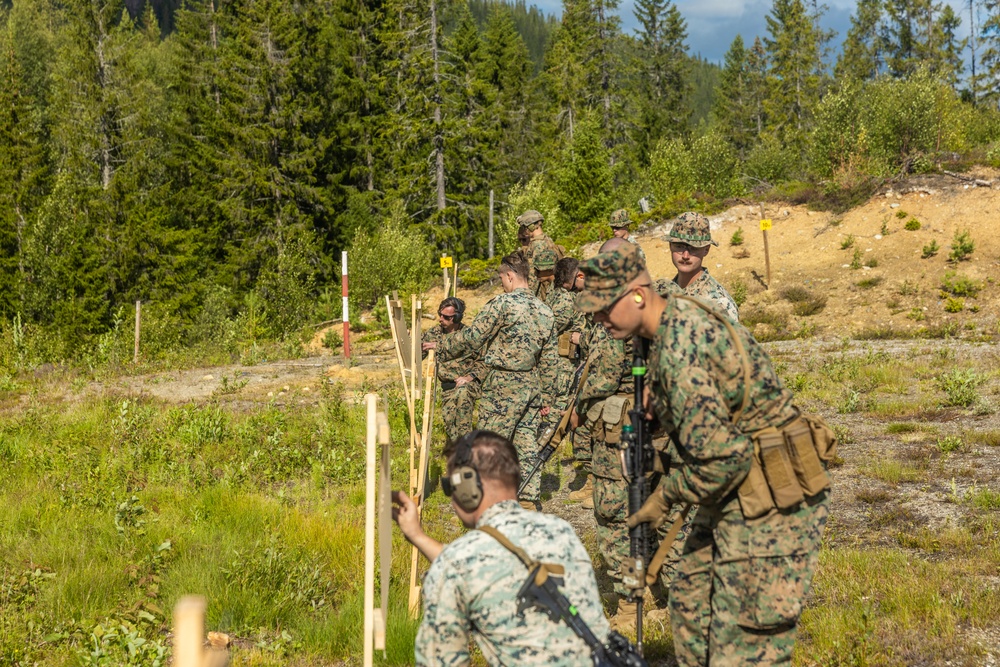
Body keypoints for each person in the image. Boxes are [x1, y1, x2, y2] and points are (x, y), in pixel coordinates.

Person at [576, 243, 833, 666]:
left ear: (638, 296)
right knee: (692, 603)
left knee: (745, 641)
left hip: (771, 493)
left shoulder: (679, 347)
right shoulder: (667, 322)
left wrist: (662, 497)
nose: (599, 320)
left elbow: (723, 459)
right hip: (735, 483)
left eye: (604, 308)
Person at [392, 430, 612, 666]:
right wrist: (417, 535)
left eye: (449, 486)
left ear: (466, 487)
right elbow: (487, 565)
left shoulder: (457, 563)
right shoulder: (562, 532)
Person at [431, 252, 558, 509]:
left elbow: (472, 338)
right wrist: (547, 397)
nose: (502, 283)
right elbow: (550, 361)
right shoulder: (546, 311)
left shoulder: (502, 304)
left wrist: (441, 347)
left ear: (510, 275)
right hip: (531, 385)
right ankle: (528, 500)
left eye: (502, 278)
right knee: (526, 444)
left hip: (502, 384)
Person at [652, 212, 739, 322]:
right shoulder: (664, 291)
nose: (685, 256)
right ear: (670, 246)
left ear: (706, 250)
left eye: (693, 248)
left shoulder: (717, 303)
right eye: (679, 247)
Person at [421, 297, 484, 445]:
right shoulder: (434, 333)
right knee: (450, 426)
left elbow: (484, 361)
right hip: (448, 387)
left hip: (468, 384)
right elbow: (418, 355)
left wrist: (470, 377)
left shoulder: (468, 335)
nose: (441, 319)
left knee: (462, 419)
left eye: (446, 317)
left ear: (456, 318)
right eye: (440, 314)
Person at [517, 209, 560, 294]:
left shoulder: (538, 245)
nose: (523, 230)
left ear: (531, 226)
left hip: (542, 293)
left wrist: (527, 295)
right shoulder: (547, 240)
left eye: (524, 227)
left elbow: (534, 275)